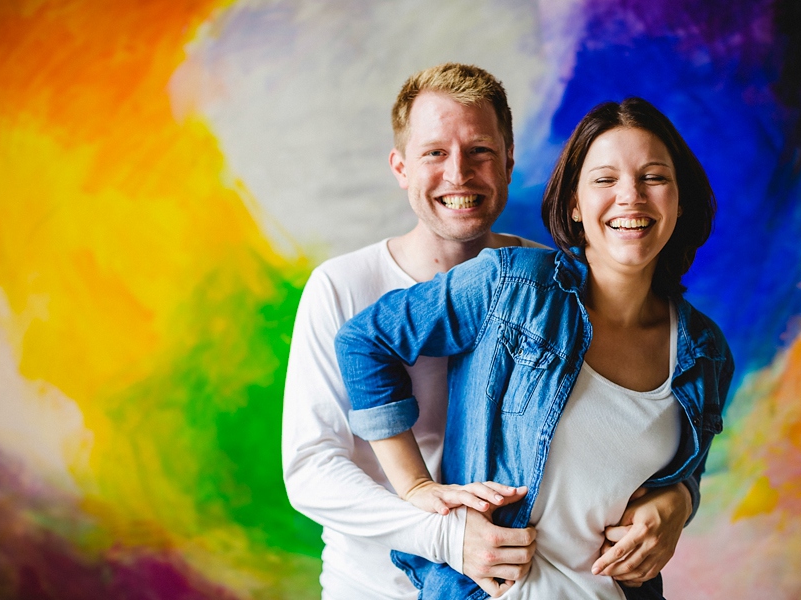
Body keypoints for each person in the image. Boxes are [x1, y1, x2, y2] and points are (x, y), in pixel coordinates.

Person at [283, 62, 696, 600]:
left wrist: (680, 496)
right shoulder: (342, 285)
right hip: (373, 585)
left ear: (508, 163)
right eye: (434, 153)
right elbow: (312, 468)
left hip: (517, 586)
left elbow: (618, 431)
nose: (459, 173)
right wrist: (443, 533)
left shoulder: (548, 282)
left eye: (479, 151)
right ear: (401, 167)